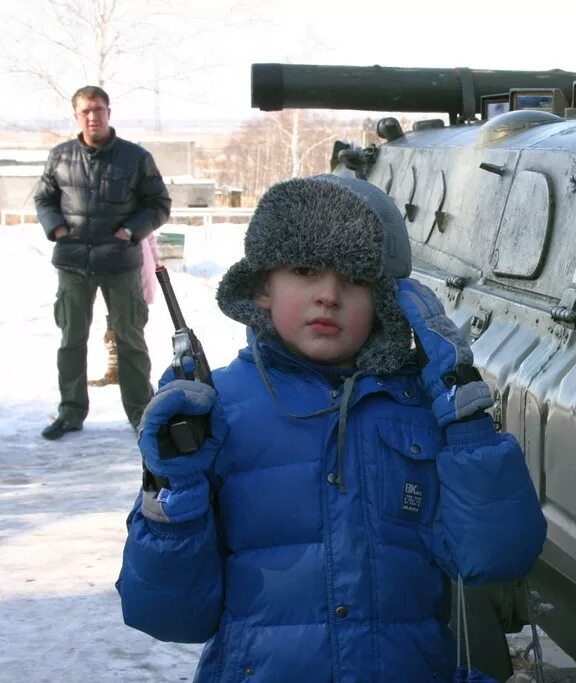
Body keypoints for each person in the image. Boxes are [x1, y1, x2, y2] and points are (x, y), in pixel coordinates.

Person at [116, 175, 547, 681]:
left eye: (355, 278)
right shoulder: (218, 411)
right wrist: (172, 492)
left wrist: (467, 425)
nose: (329, 295)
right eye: (304, 270)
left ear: (389, 301)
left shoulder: (422, 407)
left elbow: (498, 557)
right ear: (260, 288)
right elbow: (166, 613)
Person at [34, 85, 171, 440]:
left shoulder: (134, 158)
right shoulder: (60, 156)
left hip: (120, 262)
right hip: (73, 262)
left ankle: (141, 413)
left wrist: (130, 231)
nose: (92, 117)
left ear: (108, 112)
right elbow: (44, 199)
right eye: (85, 111)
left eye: (98, 109)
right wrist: (58, 229)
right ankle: (70, 412)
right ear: (76, 116)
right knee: (71, 339)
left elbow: (158, 204)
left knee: (130, 339)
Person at [90, 233, 160, 388]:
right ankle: (117, 371)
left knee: (130, 326)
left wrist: (155, 260)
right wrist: (156, 259)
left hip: (134, 269)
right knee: (122, 321)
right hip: (129, 267)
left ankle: (135, 376)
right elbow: (150, 237)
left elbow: (149, 236)